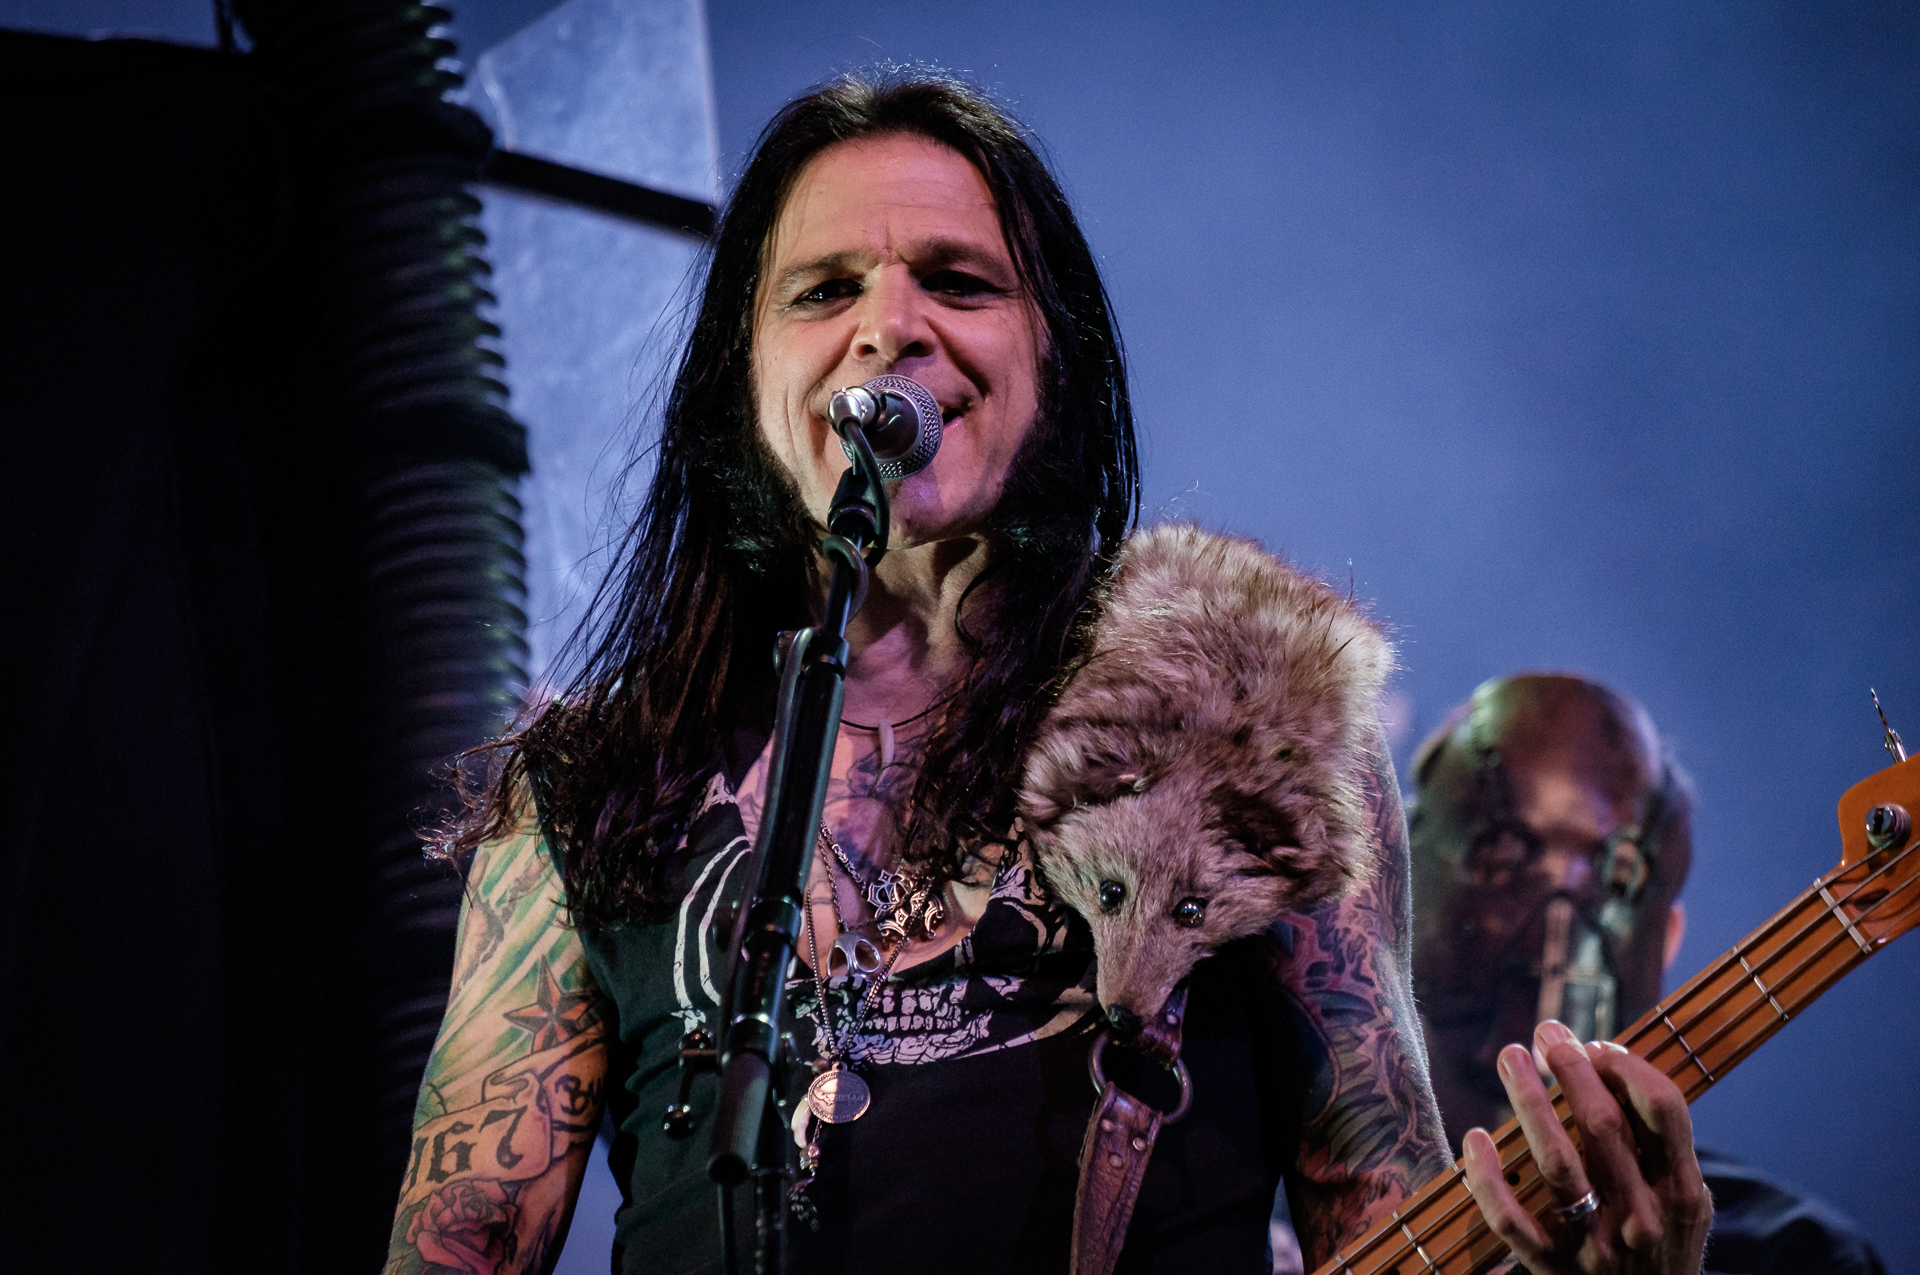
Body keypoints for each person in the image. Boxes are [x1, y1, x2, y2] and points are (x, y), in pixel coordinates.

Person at [382, 69, 1711, 1275]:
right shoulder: (584, 795)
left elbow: (1381, 1209)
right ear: (746, 375)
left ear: (1051, 360)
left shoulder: (1251, 730)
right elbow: (466, 1241)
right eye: (824, 289)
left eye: (958, 282)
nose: (886, 327)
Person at [1409, 672, 1887, 1275]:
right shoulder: (1274, 1190)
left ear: (1668, 940)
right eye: (1500, 855)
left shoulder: (1802, 1257)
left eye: (1620, 881)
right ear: (1396, 884)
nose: (1560, 918)